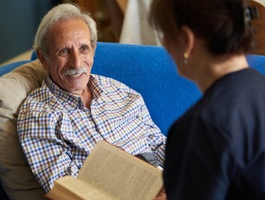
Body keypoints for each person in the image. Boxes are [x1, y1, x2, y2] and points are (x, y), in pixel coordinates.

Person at [17, 3, 166, 195]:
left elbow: (159, 144)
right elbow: (68, 191)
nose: (77, 62)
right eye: (64, 51)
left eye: (84, 49)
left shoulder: (120, 91)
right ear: (43, 58)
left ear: (93, 50)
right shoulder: (39, 114)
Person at [149, 0, 265, 199]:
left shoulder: (200, 127)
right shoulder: (259, 86)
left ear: (186, 40)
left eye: (165, 35)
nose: (165, 46)